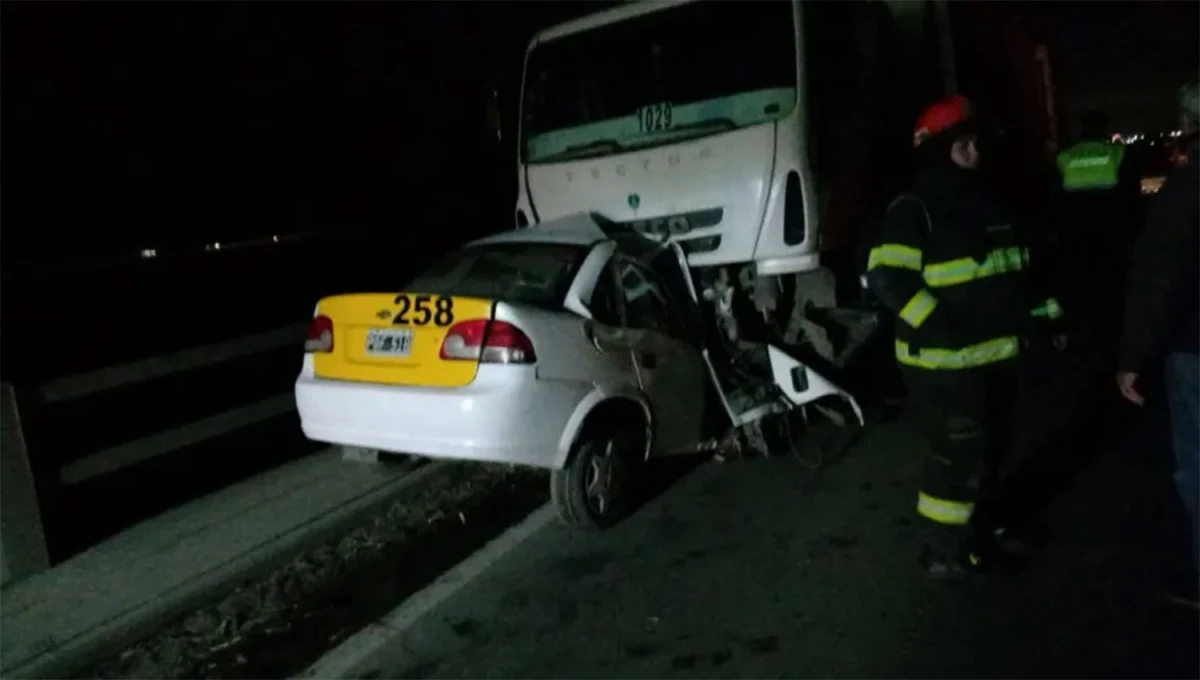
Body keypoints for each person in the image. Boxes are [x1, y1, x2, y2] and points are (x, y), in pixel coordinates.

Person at [866, 94, 1067, 578]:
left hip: (995, 357)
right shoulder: (915, 208)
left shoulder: (989, 201)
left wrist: (1049, 318)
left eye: (977, 142)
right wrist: (943, 328)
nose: (975, 152)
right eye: (963, 144)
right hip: (945, 366)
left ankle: (985, 526)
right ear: (937, 150)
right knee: (959, 459)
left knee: (991, 449)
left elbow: (1015, 276)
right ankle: (946, 551)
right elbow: (886, 277)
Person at [1116, 81, 1200, 595]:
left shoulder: (1186, 189)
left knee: (1196, 465)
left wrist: (1133, 357)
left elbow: (1157, 279)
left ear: (1188, 122)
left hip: (1196, 350)